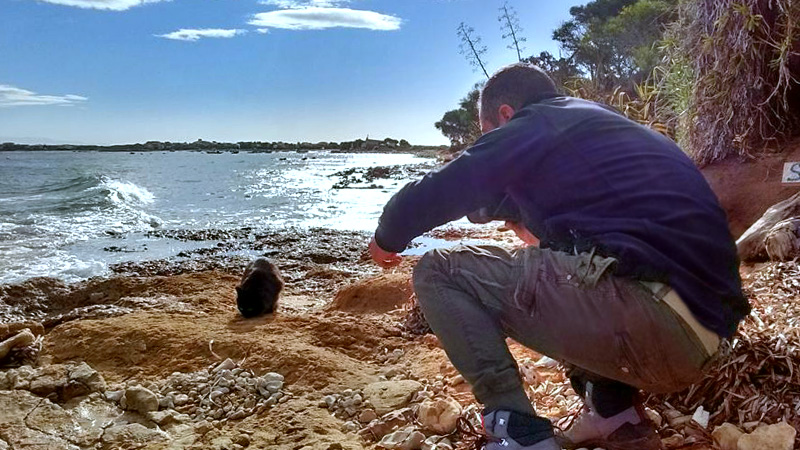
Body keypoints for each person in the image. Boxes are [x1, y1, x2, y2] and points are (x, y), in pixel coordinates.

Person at [368, 63, 750, 450]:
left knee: (439, 271)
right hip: (708, 339)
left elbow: (456, 183)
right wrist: (515, 213)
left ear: (506, 115)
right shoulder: (603, 127)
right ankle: (615, 415)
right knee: (567, 258)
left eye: (488, 136)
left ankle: (519, 433)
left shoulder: (539, 121)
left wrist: (389, 234)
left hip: (656, 323)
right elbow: (511, 201)